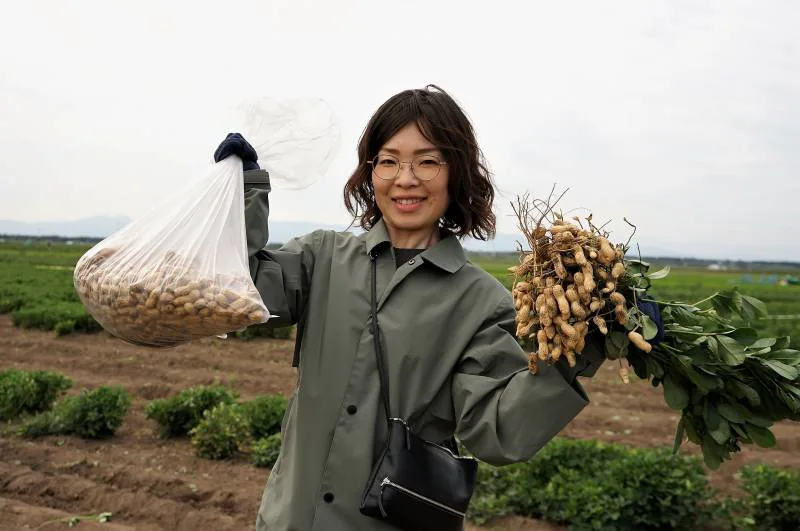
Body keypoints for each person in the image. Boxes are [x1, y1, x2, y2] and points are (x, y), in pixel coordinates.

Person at [214, 85, 644, 531]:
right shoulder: (322, 258)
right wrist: (241, 191)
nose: (406, 178)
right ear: (370, 172)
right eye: (388, 160)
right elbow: (234, 289)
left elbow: (497, 429)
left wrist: (583, 347)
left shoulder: (481, 302)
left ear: (455, 173)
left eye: (427, 161)